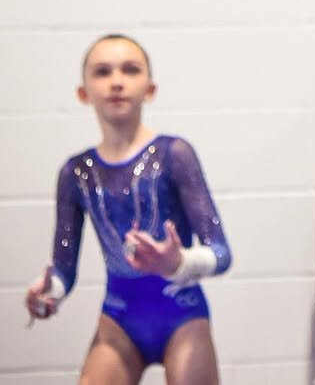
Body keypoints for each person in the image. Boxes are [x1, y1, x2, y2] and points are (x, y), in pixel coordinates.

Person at [24, 34, 231, 384]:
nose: (117, 81)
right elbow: (63, 268)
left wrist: (178, 263)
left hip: (182, 313)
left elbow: (222, 253)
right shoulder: (76, 172)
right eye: (103, 72)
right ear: (83, 93)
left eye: (130, 70)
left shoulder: (174, 154)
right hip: (119, 319)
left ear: (150, 89)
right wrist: (50, 292)